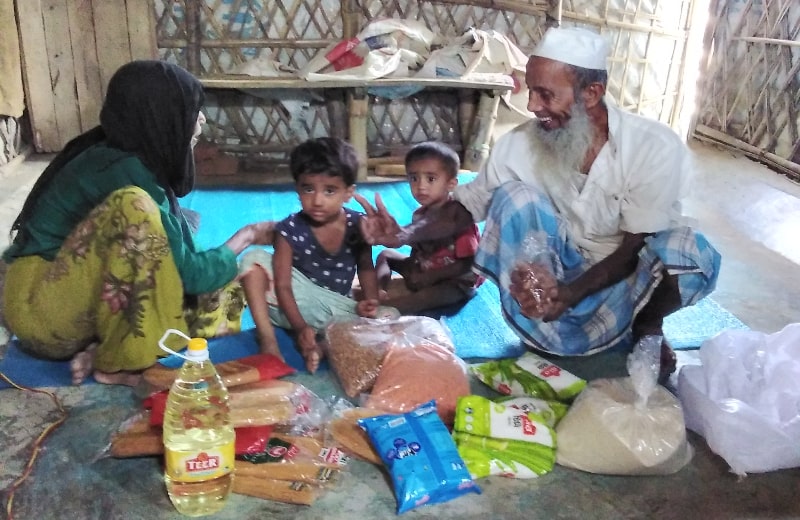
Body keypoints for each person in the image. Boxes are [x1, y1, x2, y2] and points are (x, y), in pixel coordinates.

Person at [355, 26, 721, 379]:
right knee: (513, 198)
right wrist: (405, 233)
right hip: (554, 275)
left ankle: (647, 324)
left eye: (546, 95)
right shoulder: (519, 145)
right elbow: (465, 207)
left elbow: (632, 250)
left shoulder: (653, 147)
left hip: (624, 276)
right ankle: (550, 327)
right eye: (530, 91)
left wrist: (571, 294)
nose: (531, 106)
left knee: (690, 251)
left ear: (591, 93)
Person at [2, 60, 274, 386]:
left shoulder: (134, 156)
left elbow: (189, 262)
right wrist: (248, 235)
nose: (201, 119)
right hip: (40, 310)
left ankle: (106, 348)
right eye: (190, 111)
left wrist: (228, 260)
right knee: (136, 209)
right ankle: (122, 363)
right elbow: (192, 274)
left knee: (226, 287)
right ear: (158, 116)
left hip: (76, 301)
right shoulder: (121, 168)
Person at [239, 137, 397, 374]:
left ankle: (323, 346)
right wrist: (300, 327)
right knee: (253, 260)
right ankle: (268, 341)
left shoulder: (358, 225)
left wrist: (370, 302)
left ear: (348, 193)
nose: (317, 200)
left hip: (338, 313)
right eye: (308, 189)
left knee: (389, 317)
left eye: (329, 190)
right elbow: (282, 286)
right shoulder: (289, 230)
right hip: (290, 307)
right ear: (297, 189)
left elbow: (365, 267)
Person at [372, 141, 483, 314]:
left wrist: (431, 276)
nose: (421, 186)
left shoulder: (461, 218)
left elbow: (470, 264)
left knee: (422, 299)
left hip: (454, 281)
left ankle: (382, 311)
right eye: (414, 178)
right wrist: (415, 269)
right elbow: (418, 247)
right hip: (426, 269)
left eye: (431, 179)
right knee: (386, 255)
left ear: (451, 184)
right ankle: (378, 293)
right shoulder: (419, 215)